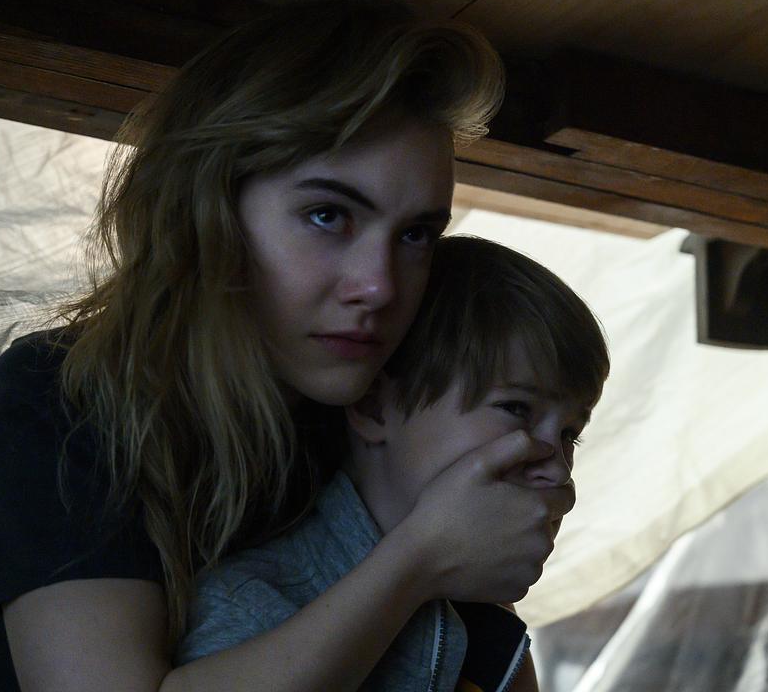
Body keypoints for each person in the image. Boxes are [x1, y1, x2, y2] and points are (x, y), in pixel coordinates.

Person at [0, 1, 578, 691]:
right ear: (206, 210)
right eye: (329, 215)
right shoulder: (65, 399)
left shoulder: (369, 408)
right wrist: (419, 559)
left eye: (415, 235)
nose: (379, 286)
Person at [177, 235, 610, 691]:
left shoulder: (488, 629)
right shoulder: (254, 604)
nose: (557, 470)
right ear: (374, 408)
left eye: (569, 434)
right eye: (516, 408)